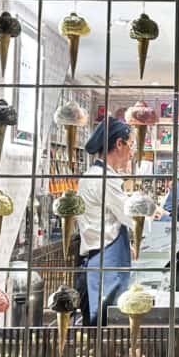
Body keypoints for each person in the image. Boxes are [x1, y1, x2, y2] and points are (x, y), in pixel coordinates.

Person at [76, 116, 135, 325]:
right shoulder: (105, 179)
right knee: (108, 324)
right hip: (105, 261)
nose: (131, 152)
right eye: (131, 145)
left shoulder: (92, 175)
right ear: (119, 144)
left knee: (101, 325)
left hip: (98, 259)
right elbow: (131, 215)